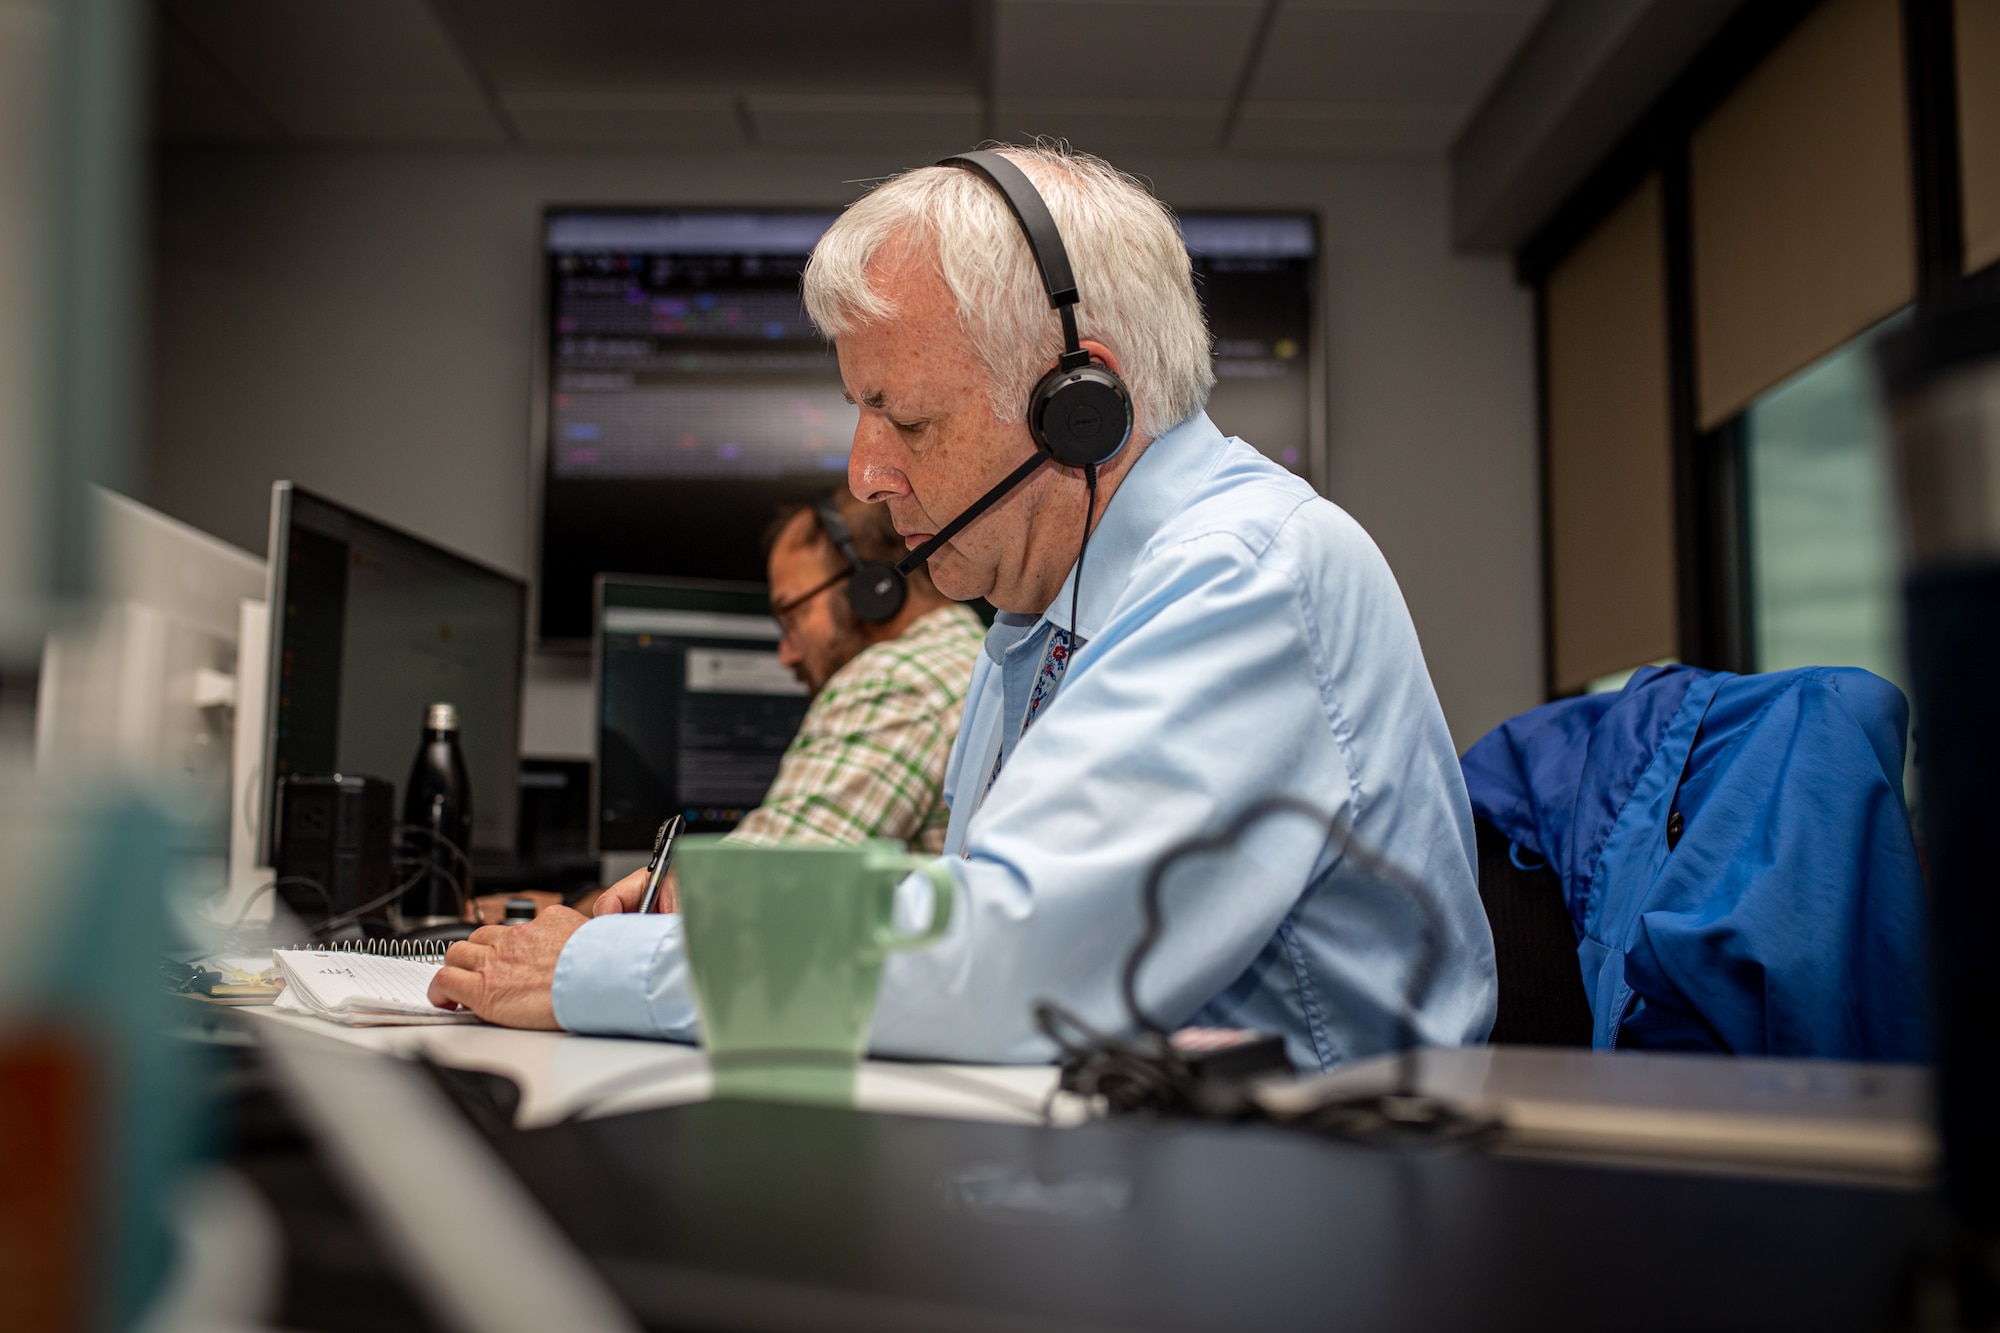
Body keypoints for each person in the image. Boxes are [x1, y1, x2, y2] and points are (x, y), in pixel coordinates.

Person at [430, 144, 1497, 1071]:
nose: (862, 476)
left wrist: (601, 967)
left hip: (1303, 1210)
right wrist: (714, 913)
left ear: (1081, 404)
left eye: (905, 420)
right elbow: (981, 902)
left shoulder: (1247, 574)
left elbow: (1012, 963)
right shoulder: (1031, 618)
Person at [721, 489, 984, 854]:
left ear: (870, 590)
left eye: (792, 617)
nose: (786, 653)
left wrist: (662, 891)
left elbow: (768, 878)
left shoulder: (896, 681)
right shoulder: (982, 657)